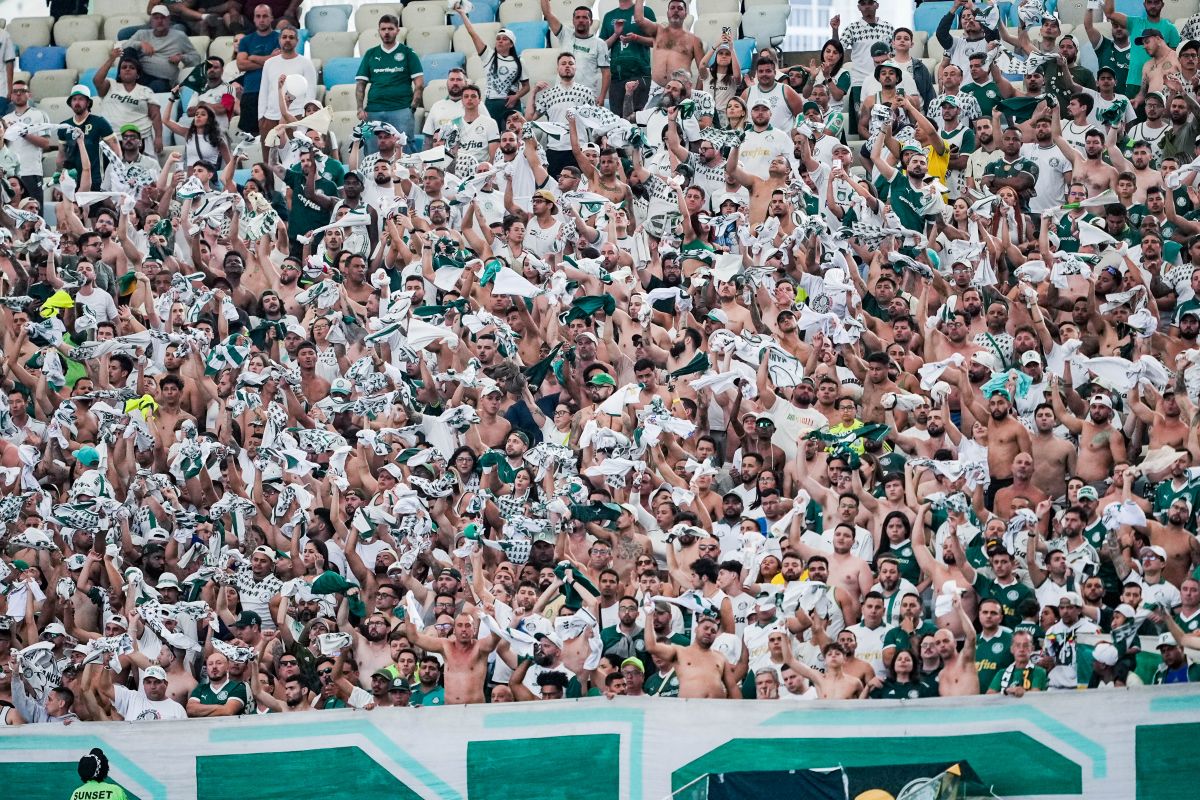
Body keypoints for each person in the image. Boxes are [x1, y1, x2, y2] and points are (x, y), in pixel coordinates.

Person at [357, 15, 423, 151]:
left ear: (397, 30)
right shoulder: (370, 53)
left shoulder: (408, 53)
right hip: (373, 110)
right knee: (371, 149)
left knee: (405, 149)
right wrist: (360, 108)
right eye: (383, 29)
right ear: (379, 31)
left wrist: (411, 109)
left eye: (390, 28)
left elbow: (419, 84)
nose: (386, 32)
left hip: (401, 109)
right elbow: (360, 84)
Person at [127, 6, 203, 93]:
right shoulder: (142, 34)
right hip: (141, 75)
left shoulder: (179, 36)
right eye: (156, 18)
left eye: (163, 18)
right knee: (128, 50)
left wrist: (181, 57)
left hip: (163, 80)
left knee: (156, 87)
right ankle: (123, 85)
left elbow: (196, 58)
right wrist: (140, 44)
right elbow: (123, 48)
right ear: (151, 21)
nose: (159, 21)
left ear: (169, 20)